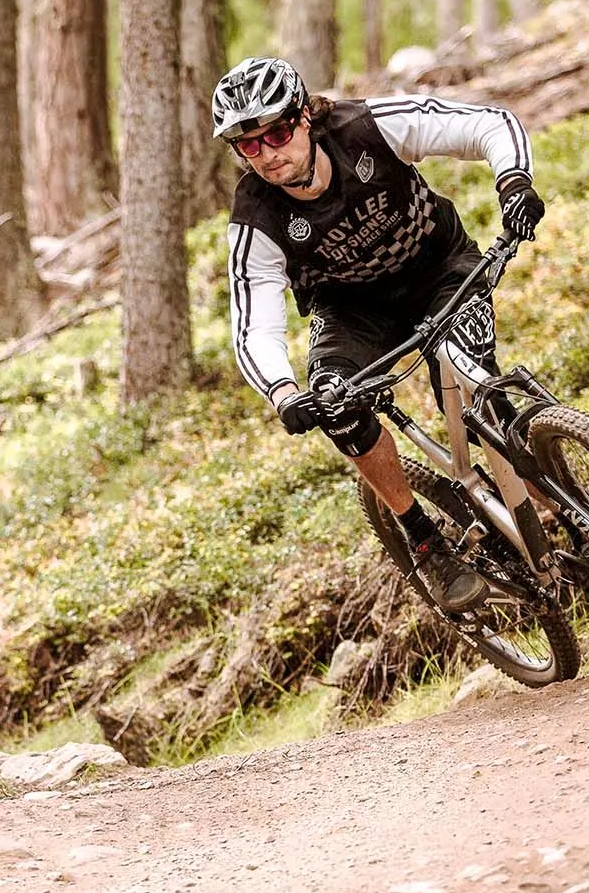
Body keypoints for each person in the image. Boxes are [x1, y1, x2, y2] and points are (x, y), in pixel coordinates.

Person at [214, 56, 545, 613]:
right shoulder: (256, 220)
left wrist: (512, 180)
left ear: (305, 118)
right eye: (251, 145)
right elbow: (254, 321)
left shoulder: (366, 127)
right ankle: (422, 539)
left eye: (277, 132)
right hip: (352, 311)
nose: (270, 153)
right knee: (334, 404)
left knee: (472, 380)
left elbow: (486, 123)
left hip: (439, 268)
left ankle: (552, 503)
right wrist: (282, 390)